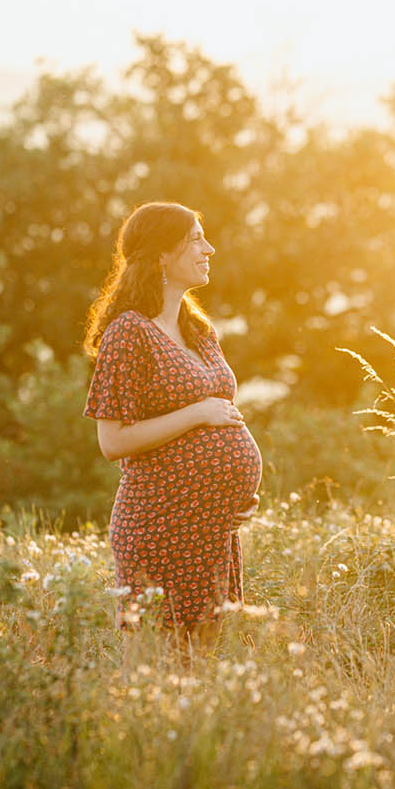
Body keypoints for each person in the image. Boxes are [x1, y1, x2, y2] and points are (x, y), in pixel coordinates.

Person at [81, 201, 263, 649]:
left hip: (210, 530)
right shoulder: (128, 332)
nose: (210, 248)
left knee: (205, 666)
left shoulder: (197, 329)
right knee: (158, 664)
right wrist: (197, 412)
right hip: (159, 528)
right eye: (196, 239)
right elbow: (112, 441)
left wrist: (235, 496)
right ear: (162, 253)